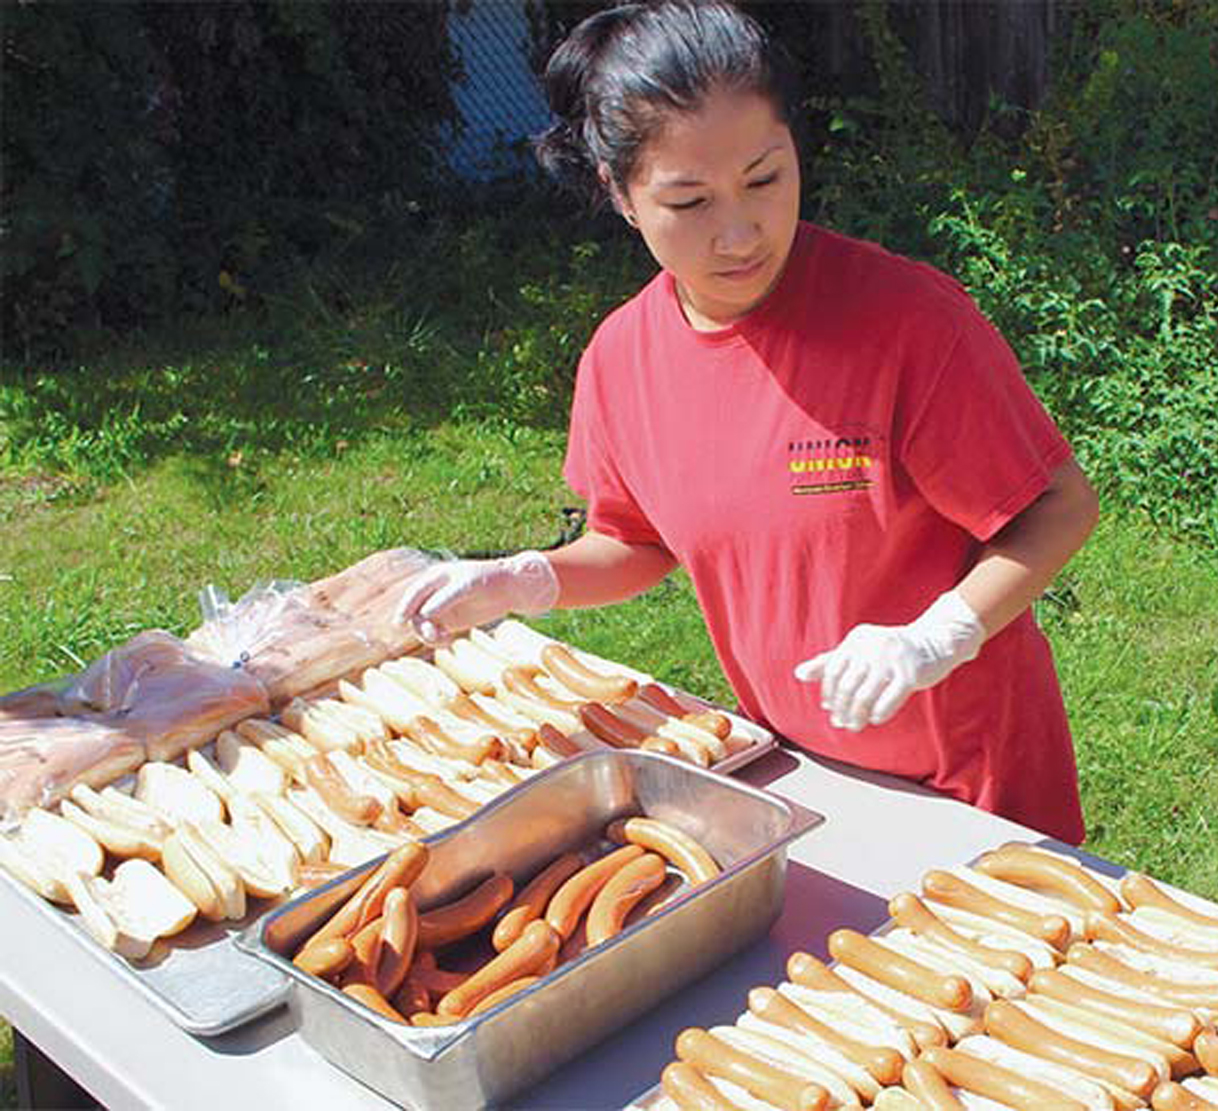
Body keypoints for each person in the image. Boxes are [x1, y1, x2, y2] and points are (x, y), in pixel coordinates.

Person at [397, 0, 1099, 844]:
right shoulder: (623, 360)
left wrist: (935, 637)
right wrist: (527, 579)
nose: (739, 233)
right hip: (796, 769)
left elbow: (1058, 504)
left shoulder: (907, 324)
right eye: (688, 201)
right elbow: (636, 540)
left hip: (970, 783)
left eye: (765, 178)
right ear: (619, 195)